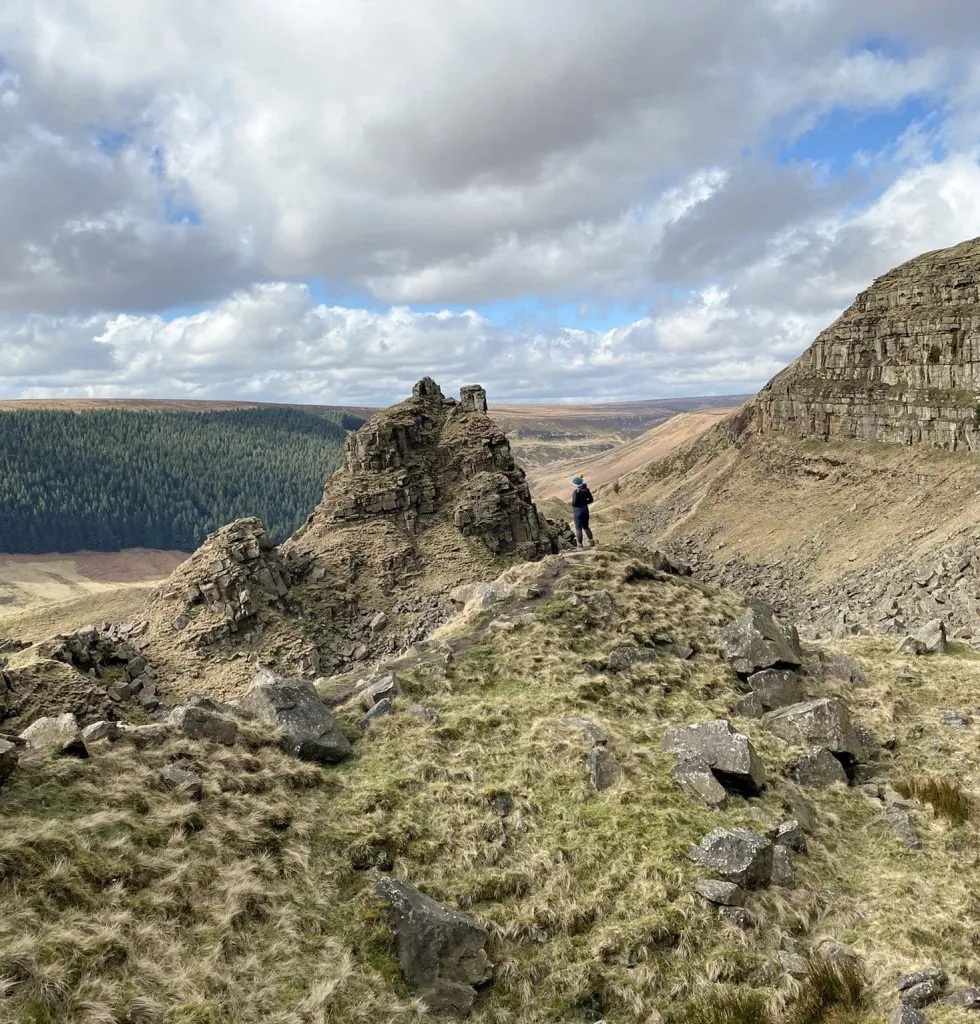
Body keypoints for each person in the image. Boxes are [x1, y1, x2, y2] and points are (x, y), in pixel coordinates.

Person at [570, 475, 596, 547]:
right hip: (585, 510)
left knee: (578, 529)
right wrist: (584, 502)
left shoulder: (575, 492)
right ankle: (592, 542)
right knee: (586, 527)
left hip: (577, 511)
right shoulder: (586, 490)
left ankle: (580, 545)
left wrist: (573, 504)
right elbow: (591, 499)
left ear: (575, 484)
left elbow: (574, 503)